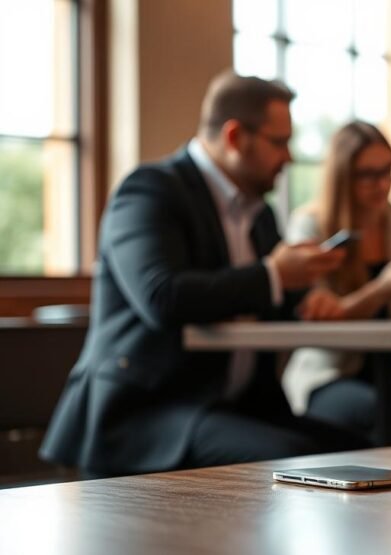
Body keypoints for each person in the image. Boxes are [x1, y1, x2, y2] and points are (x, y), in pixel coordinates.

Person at [40, 72, 367, 477]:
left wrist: (306, 302)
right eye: (279, 142)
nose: (289, 157)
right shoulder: (150, 190)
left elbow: (264, 297)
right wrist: (274, 275)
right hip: (149, 413)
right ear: (235, 137)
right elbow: (162, 297)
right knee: (290, 455)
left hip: (236, 408)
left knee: (357, 452)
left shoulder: (260, 214)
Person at [282, 121, 391, 444]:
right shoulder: (310, 225)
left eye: (388, 171)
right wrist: (381, 291)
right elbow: (319, 317)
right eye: (369, 175)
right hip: (332, 370)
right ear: (343, 176)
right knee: (381, 409)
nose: (383, 184)